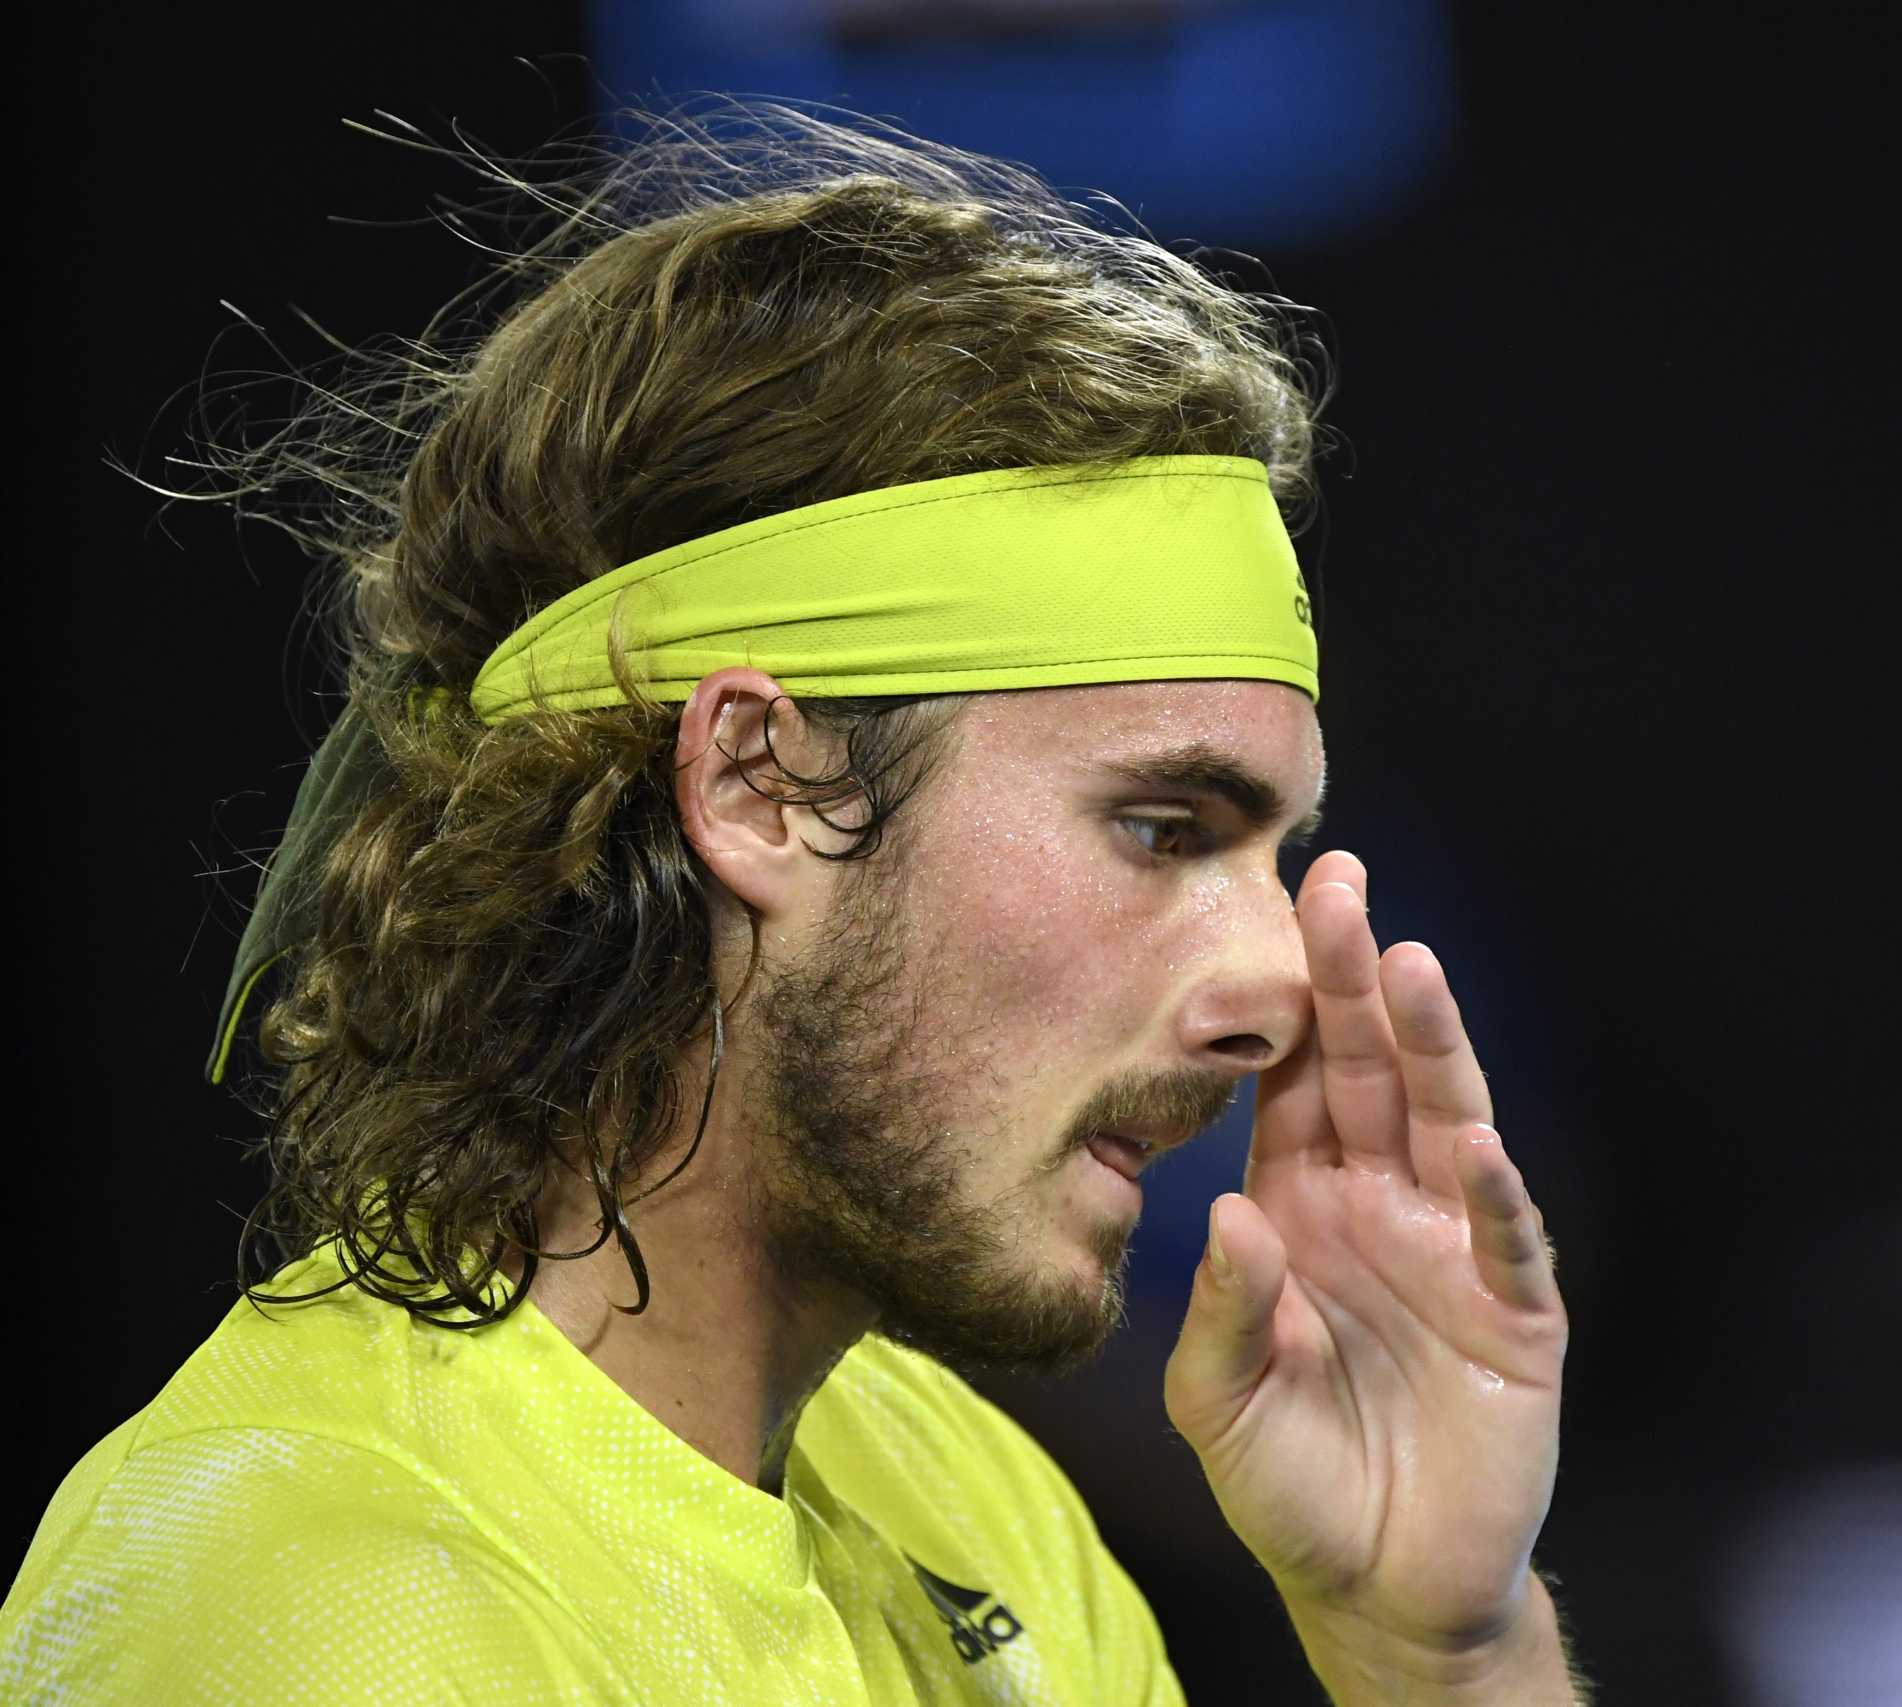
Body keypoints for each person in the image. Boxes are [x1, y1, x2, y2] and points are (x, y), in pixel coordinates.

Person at [0, 105, 1579, 1703]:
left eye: (1276, 849)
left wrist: (1437, 1649)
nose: (1276, 980)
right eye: (1164, 828)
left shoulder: (969, 1496)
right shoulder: (323, 1617)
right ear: (757, 780)